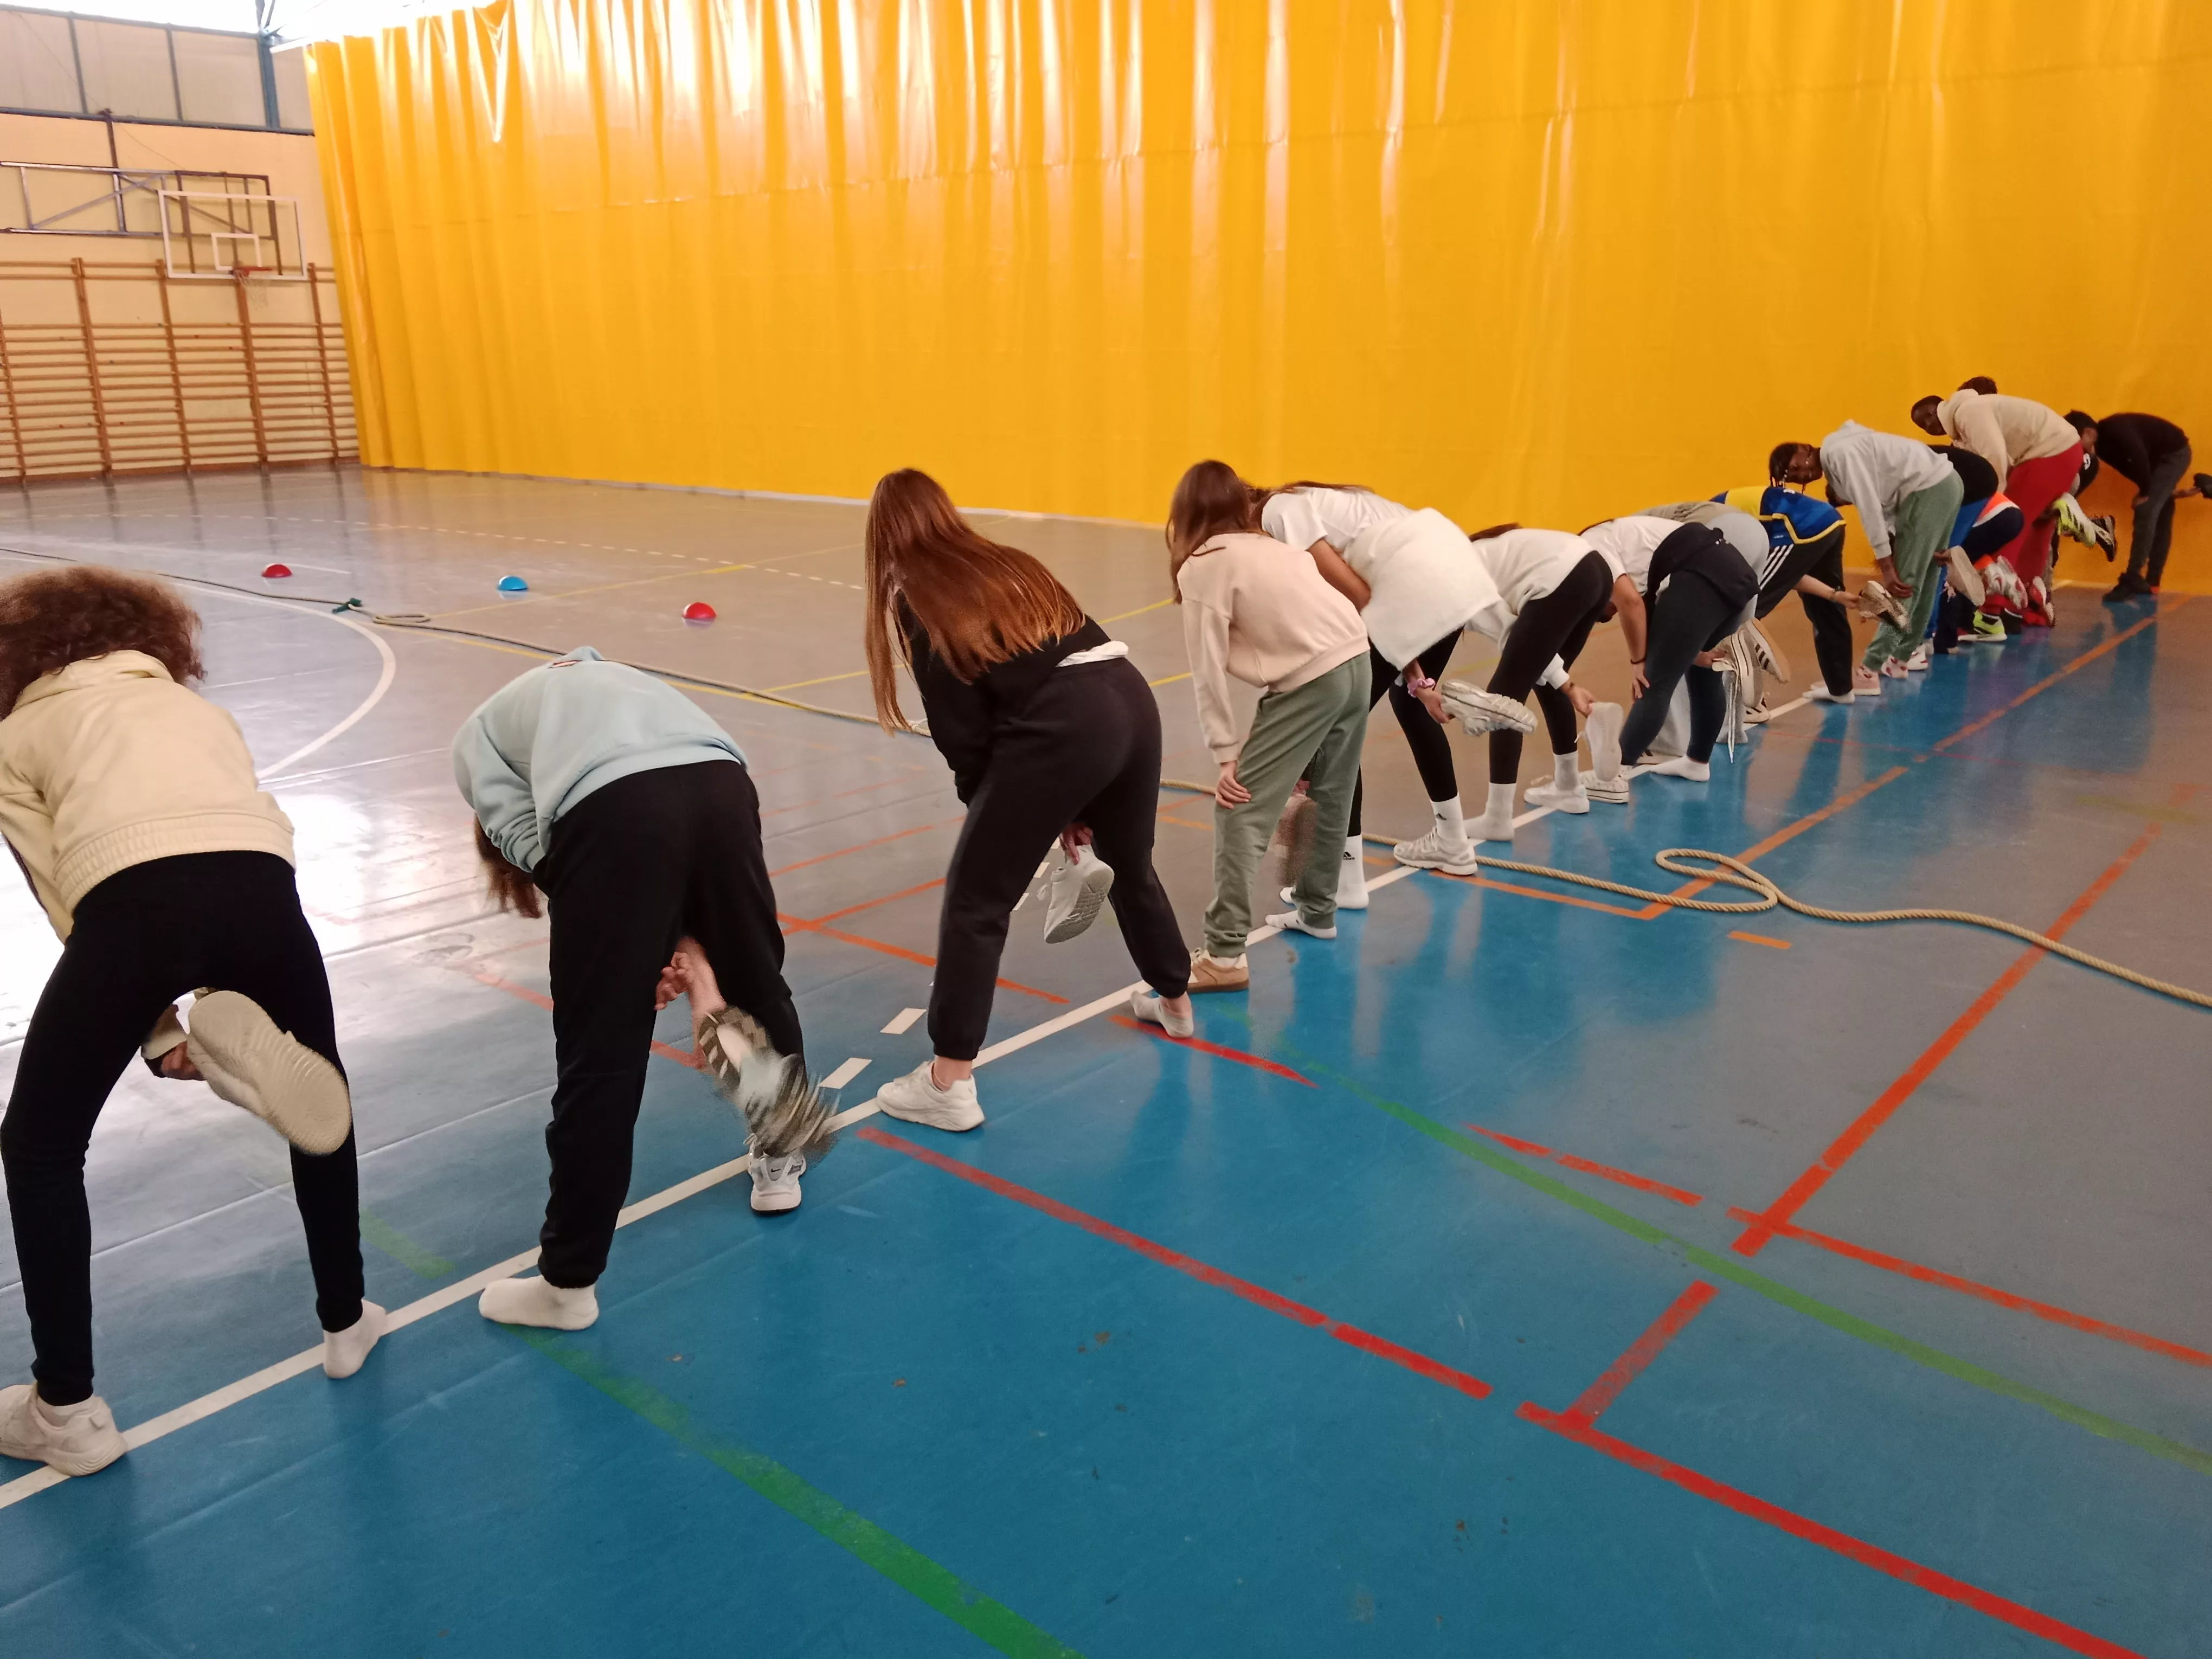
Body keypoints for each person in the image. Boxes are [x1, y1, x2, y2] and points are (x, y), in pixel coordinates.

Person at [0, 567, 377, 1477]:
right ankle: (347, 1316)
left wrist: (156, 1028)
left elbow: (58, 884)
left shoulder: (18, 733)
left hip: (132, 900)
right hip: (264, 890)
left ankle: (67, 1410)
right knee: (318, 1094)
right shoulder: (193, 710)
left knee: (40, 1147)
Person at [456, 645, 805, 1330]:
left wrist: (621, 945)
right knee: (758, 984)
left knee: (602, 1054)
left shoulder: (478, 739)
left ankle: (566, 1285)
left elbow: (539, 848)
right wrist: (674, 940)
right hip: (725, 787)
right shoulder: (619, 680)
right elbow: (676, 800)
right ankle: (781, 1156)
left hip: (614, 809)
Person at [864, 469, 1195, 1120]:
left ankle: (948, 1082)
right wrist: (1063, 805)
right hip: (1129, 695)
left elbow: (961, 731)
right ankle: (1176, 1002)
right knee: (1132, 867)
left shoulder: (918, 593)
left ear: (884, 535)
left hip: (1067, 724)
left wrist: (993, 813)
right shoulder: (1004, 562)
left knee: (976, 899)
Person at [1167, 460, 1371, 978]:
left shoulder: (1204, 563)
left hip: (1313, 677)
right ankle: (1318, 909)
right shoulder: (1276, 546)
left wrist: (1225, 754)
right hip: (1358, 660)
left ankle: (1224, 952)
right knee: (1332, 793)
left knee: (1239, 810)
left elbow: (1206, 671)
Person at [1259, 481, 1471, 884]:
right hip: (1453, 581)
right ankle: (1453, 842)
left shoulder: (1278, 512)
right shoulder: (1320, 505)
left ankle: (1343, 882)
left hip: (1419, 591)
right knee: (1410, 703)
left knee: (1335, 728)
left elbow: (1366, 599)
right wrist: (1417, 679)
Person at [1435, 525, 1619, 833]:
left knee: (1503, 698)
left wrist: (1566, 683)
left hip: (1564, 577)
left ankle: (1497, 818)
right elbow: (1535, 653)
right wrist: (1568, 686)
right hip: (1596, 570)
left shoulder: (1456, 577)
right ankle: (1569, 787)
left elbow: (1508, 633)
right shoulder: (1488, 553)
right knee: (1544, 681)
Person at [1775, 427, 1962, 695]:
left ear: (1805, 449)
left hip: (1928, 490)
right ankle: (1900, 659)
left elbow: (1870, 508)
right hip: (1947, 485)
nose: (1801, 474)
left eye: (1796, 466)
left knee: (1903, 585)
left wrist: (1886, 567)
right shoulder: (1842, 445)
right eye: (1793, 477)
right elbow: (1886, 511)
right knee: (1928, 576)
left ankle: (1870, 670)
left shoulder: (1838, 456)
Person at [1581, 519, 1759, 785]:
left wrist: (1638, 663)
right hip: (1733, 573)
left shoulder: (1589, 547)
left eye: (1607, 610)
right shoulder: (1635, 564)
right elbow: (1663, 635)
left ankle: (1613, 774)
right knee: (1705, 673)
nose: (1614, 611)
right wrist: (1695, 655)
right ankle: (1697, 763)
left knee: (1653, 683)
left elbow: (1630, 603)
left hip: (1700, 572)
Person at [1911, 387, 2081, 623]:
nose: (1928, 426)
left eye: (1928, 417)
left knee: (2009, 530)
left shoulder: (1968, 412)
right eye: (1922, 426)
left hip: (2048, 452)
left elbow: (1995, 459)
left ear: (1937, 407)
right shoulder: (1960, 435)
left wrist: (1994, 506)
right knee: (2036, 533)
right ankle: (2022, 609)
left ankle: (1990, 615)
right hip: (2061, 451)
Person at [1717, 449, 1862, 702]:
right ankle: (1841, 688)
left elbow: (1771, 569)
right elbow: (1789, 573)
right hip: (1831, 522)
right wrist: (1833, 594)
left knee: (1742, 611)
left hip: (1799, 528)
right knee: (1826, 609)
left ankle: (1750, 701)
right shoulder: (1720, 513)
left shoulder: (1710, 527)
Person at [2063, 411, 2197, 602]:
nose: (2074, 447)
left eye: (2074, 440)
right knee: (2161, 510)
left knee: (2146, 510)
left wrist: (2145, 493)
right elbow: (2130, 470)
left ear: (2089, 433)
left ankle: (2133, 577)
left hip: (2174, 454)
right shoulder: (2102, 449)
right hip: (2156, 460)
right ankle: (2152, 583)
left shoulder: (2114, 429)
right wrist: (2157, 491)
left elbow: (2138, 455)